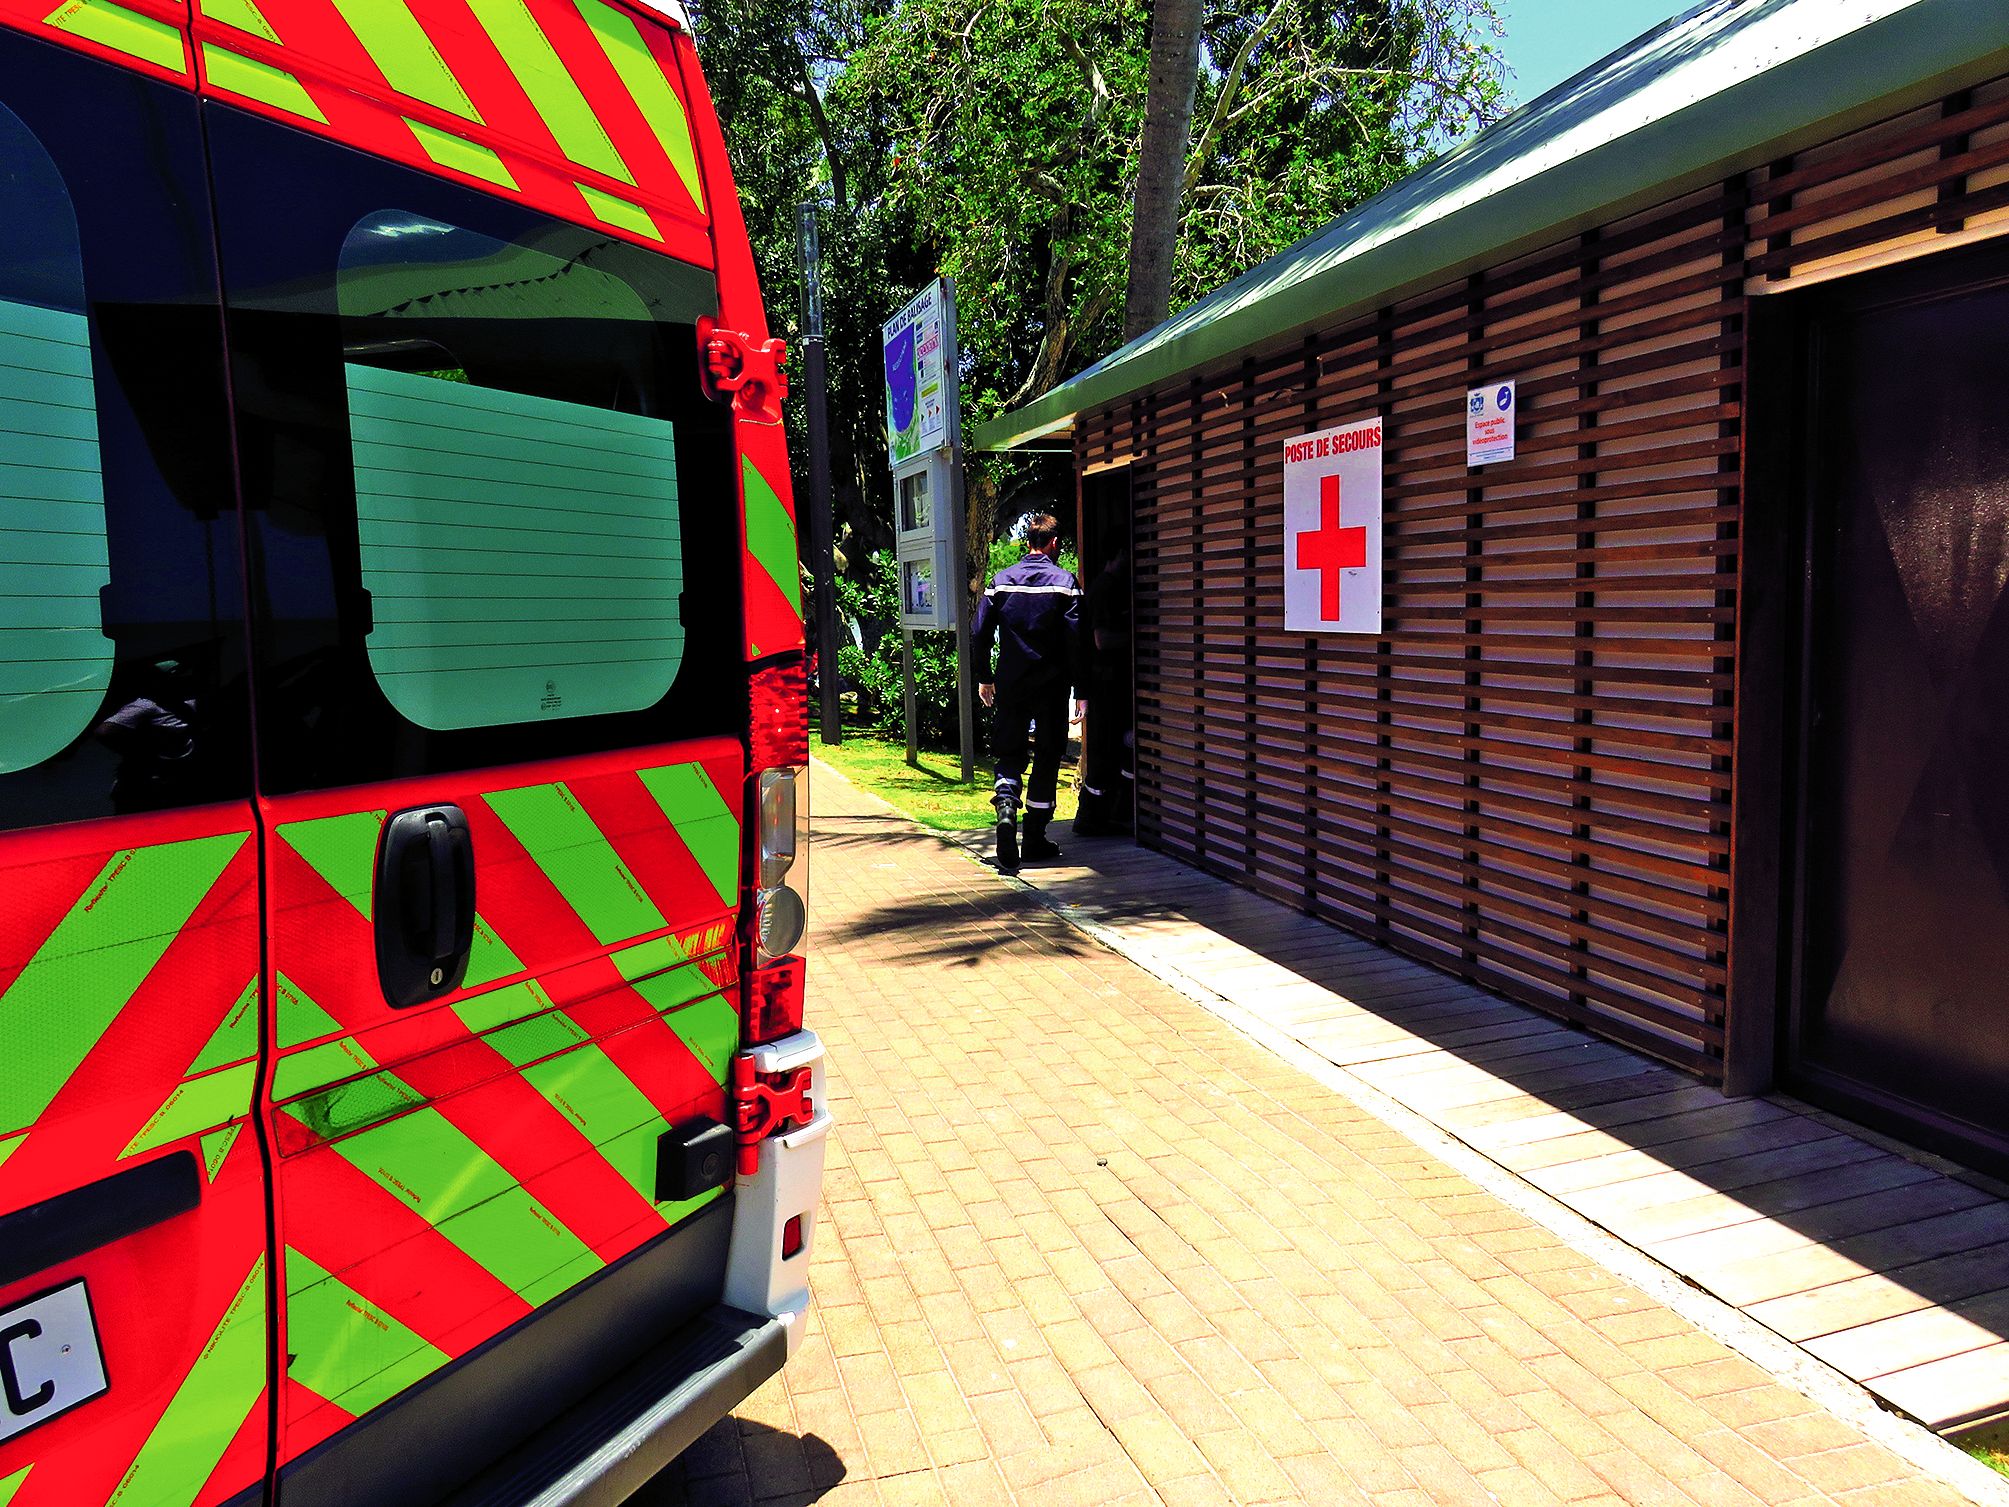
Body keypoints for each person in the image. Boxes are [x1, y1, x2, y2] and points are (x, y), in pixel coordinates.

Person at [973, 515, 1082, 875]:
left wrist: (984, 678)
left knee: (1009, 750)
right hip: (1052, 687)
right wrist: (1082, 690)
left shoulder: (1000, 582)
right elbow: (1076, 641)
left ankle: (1005, 805)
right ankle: (1034, 837)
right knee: (1048, 756)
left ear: (1028, 541)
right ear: (1053, 544)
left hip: (1011, 683)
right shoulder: (1066, 583)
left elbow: (980, 634)